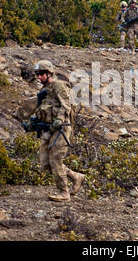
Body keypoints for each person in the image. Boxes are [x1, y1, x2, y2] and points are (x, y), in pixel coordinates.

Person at [33, 60, 85, 202]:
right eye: (38, 74)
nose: (39, 77)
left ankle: (64, 193)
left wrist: (60, 119)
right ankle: (75, 176)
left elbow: (66, 105)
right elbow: (42, 109)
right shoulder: (44, 91)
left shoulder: (59, 86)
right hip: (48, 128)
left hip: (61, 129)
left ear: (50, 73)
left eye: (42, 73)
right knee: (46, 163)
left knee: (56, 159)